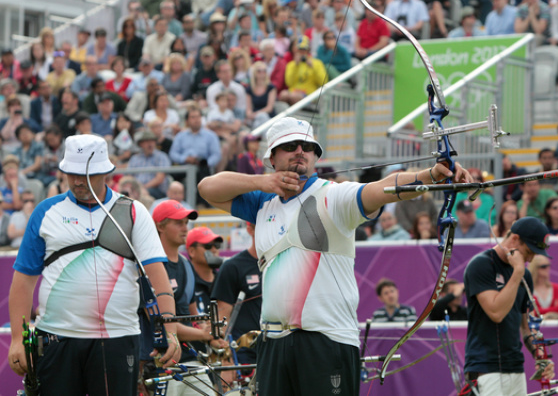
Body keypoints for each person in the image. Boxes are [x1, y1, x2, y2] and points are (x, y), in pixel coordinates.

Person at [198, 116, 471, 395]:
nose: (300, 151)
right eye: (290, 146)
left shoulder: (335, 197)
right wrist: (264, 182)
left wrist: (432, 175)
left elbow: (384, 188)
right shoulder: (261, 203)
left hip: (326, 339)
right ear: (272, 157)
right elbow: (207, 187)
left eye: (308, 146)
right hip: (273, 342)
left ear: (316, 155)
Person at [7, 134, 180, 394]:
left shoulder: (134, 211)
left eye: (87, 174)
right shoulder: (45, 212)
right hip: (57, 339)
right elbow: (23, 281)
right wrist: (17, 340)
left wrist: (171, 330)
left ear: (106, 173)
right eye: (72, 173)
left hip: (118, 339)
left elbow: (158, 275)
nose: (78, 181)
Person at [463, 217, 555, 395]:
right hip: (485, 369)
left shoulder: (525, 275)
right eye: (529, 251)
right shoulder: (481, 265)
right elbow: (496, 312)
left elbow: (525, 327)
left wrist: (542, 357)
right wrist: (517, 272)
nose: (531, 258)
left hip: (516, 368)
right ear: (514, 239)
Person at [148, 199, 219, 395]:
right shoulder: (150, 265)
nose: (185, 228)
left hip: (191, 359)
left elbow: (193, 315)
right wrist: (203, 334)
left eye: (186, 223)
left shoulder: (186, 265)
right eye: (178, 222)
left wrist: (208, 330)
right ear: (160, 226)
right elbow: (160, 322)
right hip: (161, 361)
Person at [211, 222, 262, 364]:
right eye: (261, 225)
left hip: (278, 350)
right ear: (250, 229)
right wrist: (226, 358)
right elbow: (222, 319)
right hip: (244, 354)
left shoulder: (282, 263)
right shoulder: (233, 266)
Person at [128, 130, 172, 199]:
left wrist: (143, 188)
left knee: (144, 194)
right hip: (136, 190)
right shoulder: (135, 158)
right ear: (141, 144)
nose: (150, 144)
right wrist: (136, 188)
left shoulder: (162, 156)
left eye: (152, 141)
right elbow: (129, 177)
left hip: (157, 190)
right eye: (147, 142)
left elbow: (159, 179)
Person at [529, 255, 558, 319]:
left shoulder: (556, 288)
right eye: (544, 266)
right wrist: (552, 311)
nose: (547, 269)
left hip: (553, 325)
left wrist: (540, 312)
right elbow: (530, 311)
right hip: (534, 325)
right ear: (535, 268)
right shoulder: (528, 289)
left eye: (548, 265)